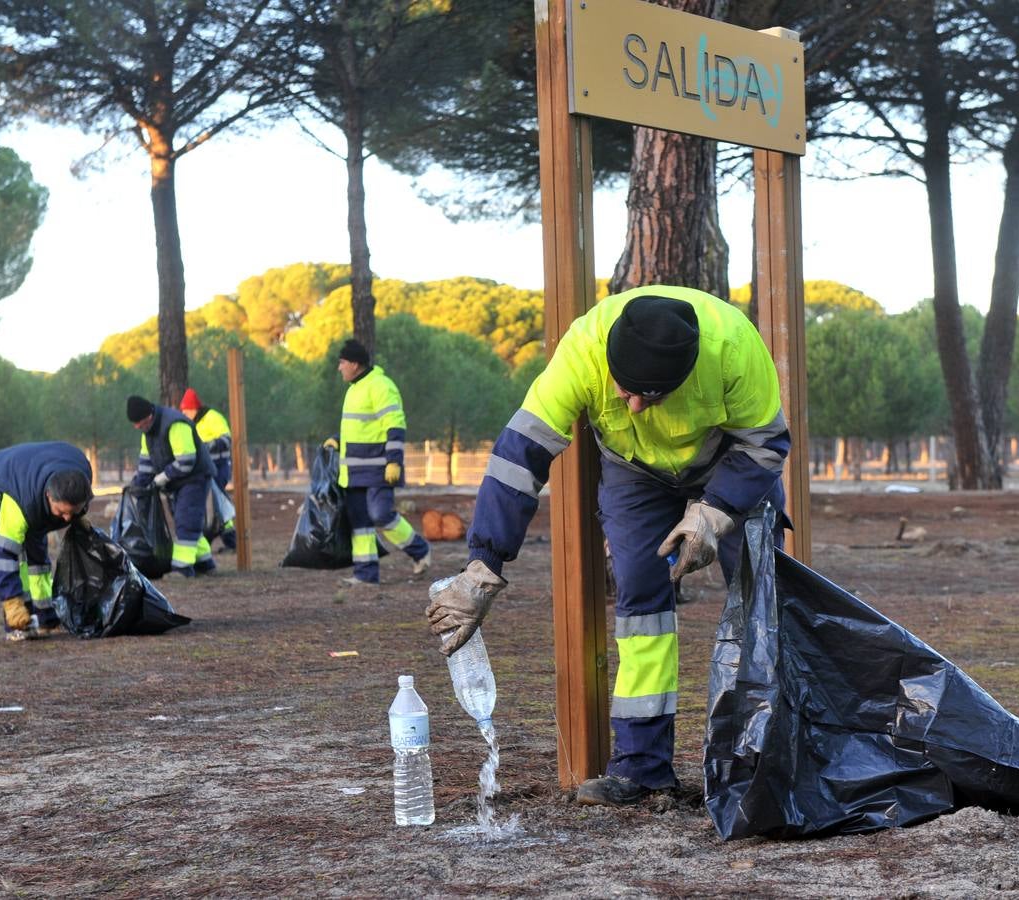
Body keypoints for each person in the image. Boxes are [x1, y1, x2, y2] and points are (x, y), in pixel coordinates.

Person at [425, 286, 791, 808]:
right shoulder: (583, 350)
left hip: (728, 464)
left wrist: (714, 512)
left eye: (653, 395)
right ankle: (643, 768)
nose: (637, 406)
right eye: (626, 391)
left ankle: (766, 762)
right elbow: (517, 459)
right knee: (640, 604)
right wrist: (483, 565)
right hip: (632, 471)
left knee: (762, 602)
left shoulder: (735, 347)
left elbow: (766, 445)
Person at [0, 441, 94, 641]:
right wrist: (12, 604)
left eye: (72, 512)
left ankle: (46, 616)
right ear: (48, 495)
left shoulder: (82, 475)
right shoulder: (20, 505)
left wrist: (80, 517)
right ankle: (17, 623)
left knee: (38, 556)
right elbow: (4, 557)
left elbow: (71, 507)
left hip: (28, 476)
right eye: (61, 512)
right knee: (20, 555)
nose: (67, 519)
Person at [327, 339, 431, 585]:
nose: (339, 368)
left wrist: (394, 462)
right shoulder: (354, 389)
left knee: (381, 514)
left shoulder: (382, 386)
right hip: (353, 472)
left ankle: (420, 549)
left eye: (341, 363)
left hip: (379, 468)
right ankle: (365, 575)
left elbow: (395, 426)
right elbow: (360, 429)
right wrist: (336, 440)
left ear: (354, 364)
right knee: (360, 523)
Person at [126, 394, 217, 576]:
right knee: (185, 520)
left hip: (194, 477)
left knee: (186, 518)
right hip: (176, 481)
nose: (139, 428)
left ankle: (182, 568)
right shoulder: (147, 432)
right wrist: (139, 486)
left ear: (149, 415)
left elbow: (186, 462)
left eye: (141, 423)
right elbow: (146, 463)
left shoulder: (175, 424)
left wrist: (162, 478)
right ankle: (205, 563)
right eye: (136, 425)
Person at [179, 387, 237, 551]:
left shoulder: (213, 418)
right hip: (204, 470)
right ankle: (211, 539)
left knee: (219, 502)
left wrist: (205, 448)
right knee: (211, 504)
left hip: (219, 467)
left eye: (187, 410)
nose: (184, 414)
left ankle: (231, 541)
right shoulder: (191, 423)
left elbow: (226, 440)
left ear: (195, 408)